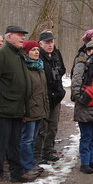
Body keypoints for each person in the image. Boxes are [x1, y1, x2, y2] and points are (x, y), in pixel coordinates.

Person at [0, 25, 35, 184]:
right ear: (9, 37)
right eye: (19, 35)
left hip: (17, 108)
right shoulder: (0, 55)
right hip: (2, 109)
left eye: (24, 35)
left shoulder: (19, 55)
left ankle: (16, 172)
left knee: (14, 143)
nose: (23, 38)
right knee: (0, 144)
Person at [70, 40, 93, 174]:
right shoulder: (81, 64)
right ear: (87, 51)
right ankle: (84, 163)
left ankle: (92, 160)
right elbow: (76, 84)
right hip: (85, 105)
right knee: (86, 136)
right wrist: (82, 99)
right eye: (91, 49)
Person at [35, 31, 66, 163]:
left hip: (56, 96)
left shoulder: (56, 54)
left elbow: (63, 69)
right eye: (47, 42)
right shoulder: (37, 55)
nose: (50, 45)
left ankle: (48, 150)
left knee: (53, 126)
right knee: (41, 128)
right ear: (41, 44)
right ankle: (37, 153)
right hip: (43, 97)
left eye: (51, 42)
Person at [20, 40, 49, 177]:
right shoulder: (24, 68)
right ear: (26, 52)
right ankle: (25, 165)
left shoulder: (40, 68)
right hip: (29, 111)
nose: (36, 52)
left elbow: (43, 90)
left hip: (39, 109)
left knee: (33, 138)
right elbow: (22, 93)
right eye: (33, 50)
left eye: (37, 49)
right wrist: (24, 112)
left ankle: (30, 162)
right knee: (26, 139)